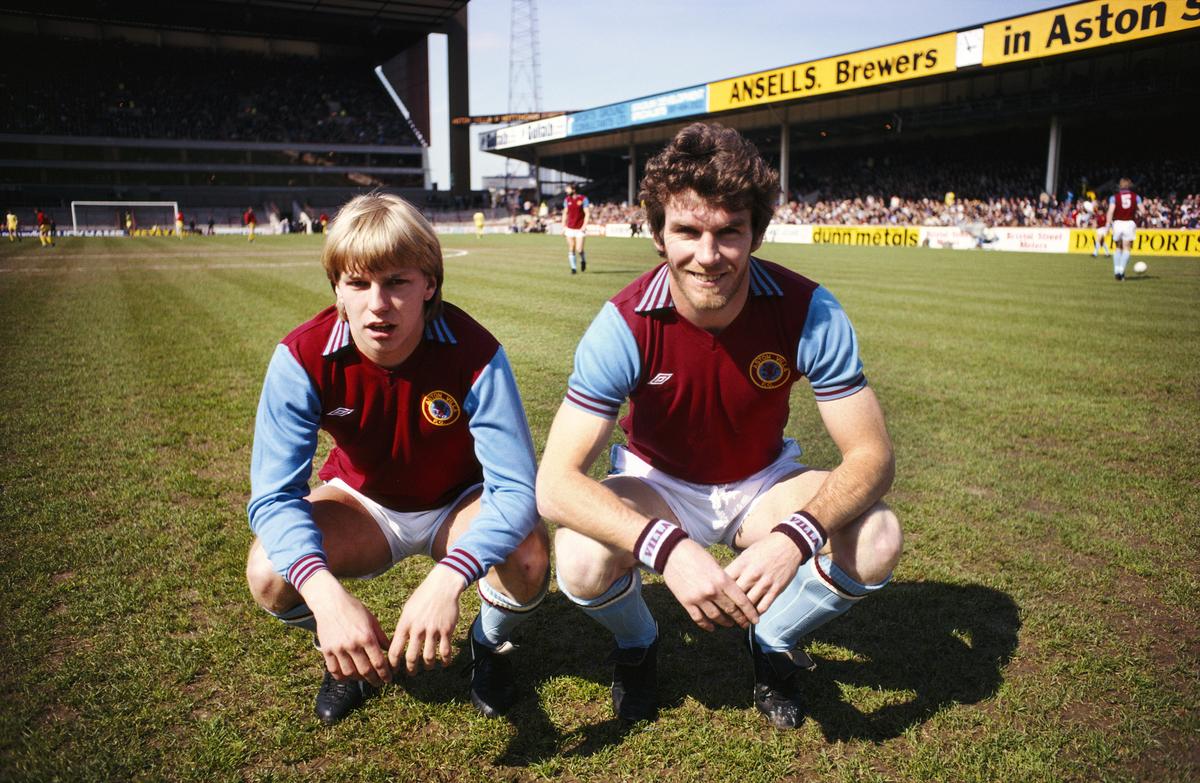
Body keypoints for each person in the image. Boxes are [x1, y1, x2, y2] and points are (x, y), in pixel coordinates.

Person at [536, 123, 901, 729]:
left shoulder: (809, 309)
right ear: (657, 234)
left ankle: (773, 643)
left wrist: (795, 538)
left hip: (763, 482)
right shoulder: (623, 324)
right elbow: (555, 484)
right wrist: (668, 548)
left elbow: (872, 457)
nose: (708, 255)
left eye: (729, 231)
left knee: (877, 538)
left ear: (755, 232)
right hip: (659, 484)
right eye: (687, 231)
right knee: (578, 558)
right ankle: (638, 644)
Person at [245, 193, 549, 726]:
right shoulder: (301, 357)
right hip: (363, 503)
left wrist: (450, 578)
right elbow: (273, 498)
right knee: (271, 574)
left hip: (459, 504)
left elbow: (518, 490)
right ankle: (346, 657)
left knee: (527, 560)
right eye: (359, 284)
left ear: (429, 283)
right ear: (337, 286)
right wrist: (327, 599)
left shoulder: (473, 351)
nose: (377, 304)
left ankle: (487, 644)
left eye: (397, 283)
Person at [1106, 178, 1143, 281]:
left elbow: (1110, 211)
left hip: (1117, 223)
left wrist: (1108, 224)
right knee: (1126, 248)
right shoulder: (1136, 197)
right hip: (1129, 223)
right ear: (1130, 186)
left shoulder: (1114, 197)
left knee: (1118, 247)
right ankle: (1121, 271)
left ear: (1120, 186)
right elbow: (1143, 211)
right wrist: (1139, 218)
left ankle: (1116, 270)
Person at [562, 184, 590, 274]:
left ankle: (583, 260)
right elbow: (565, 213)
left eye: (568, 188)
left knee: (579, 249)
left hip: (580, 228)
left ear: (573, 189)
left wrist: (584, 226)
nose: (566, 190)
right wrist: (563, 226)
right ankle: (573, 268)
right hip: (569, 228)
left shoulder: (583, 199)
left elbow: (587, 213)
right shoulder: (567, 200)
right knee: (571, 247)